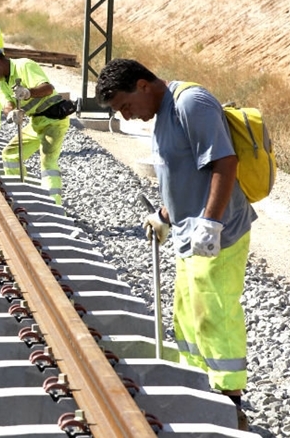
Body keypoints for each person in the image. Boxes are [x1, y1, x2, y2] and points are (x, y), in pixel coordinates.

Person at [95, 58, 256, 431]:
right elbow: (182, 172)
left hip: (218, 233)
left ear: (143, 85)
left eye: (125, 106)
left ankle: (230, 406)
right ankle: (200, 393)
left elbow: (224, 162)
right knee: (186, 316)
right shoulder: (163, 113)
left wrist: (210, 222)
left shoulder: (189, 103)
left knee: (213, 314)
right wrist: (166, 216)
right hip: (188, 234)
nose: (127, 116)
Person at [0, 46, 70, 205]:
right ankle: (21, 197)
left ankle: (54, 206)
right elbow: (7, 104)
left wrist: (28, 92)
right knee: (10, 155)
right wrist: (12, 113)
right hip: (37, 122)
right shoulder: (1, 83)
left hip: (54, 120)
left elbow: (48, 89)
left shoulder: (24, 65)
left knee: (48, 161)